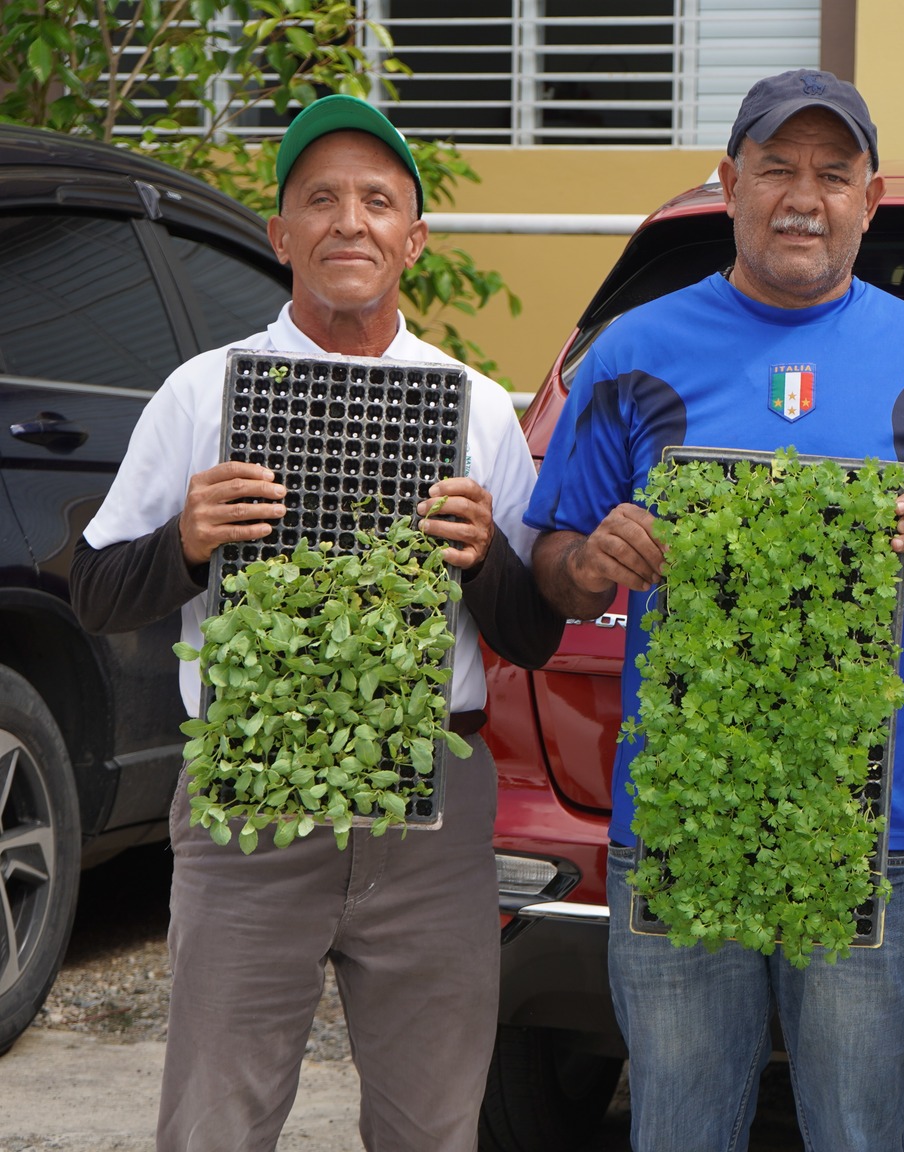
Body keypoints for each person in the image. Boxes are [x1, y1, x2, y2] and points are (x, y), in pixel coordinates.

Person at [522, 69, 904, 1151]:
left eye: (831, 174)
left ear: (869, 197)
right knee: (681, 1125)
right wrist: (592, 558)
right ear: (728, 184)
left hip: (871, 836)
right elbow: (549, 559)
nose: (804, 196)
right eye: (777, 169)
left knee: (857, 1130)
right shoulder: (633, 355)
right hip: (682, 833)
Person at [69, 95, 562, 1150]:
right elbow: (97, 590)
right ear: (279, 233)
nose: (351, 221)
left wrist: (482, 564)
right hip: (248, 811)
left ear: (412, 239)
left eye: (378, 200)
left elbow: (532, 637)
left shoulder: (475, 407)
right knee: (216, 1123)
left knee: (432, 1128)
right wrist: (186, 542)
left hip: (434, 822)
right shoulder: (203, 393)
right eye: (321, 199)